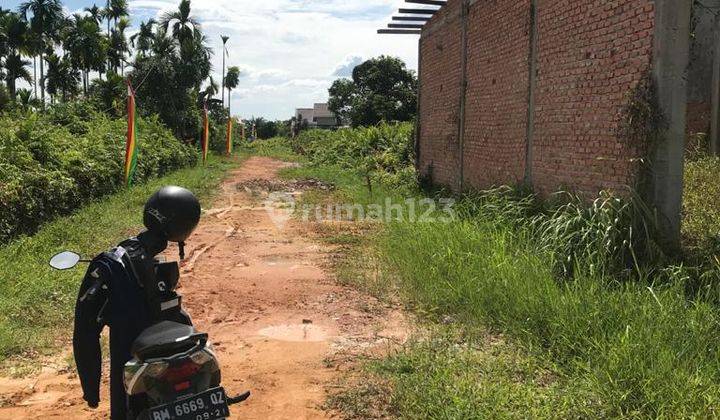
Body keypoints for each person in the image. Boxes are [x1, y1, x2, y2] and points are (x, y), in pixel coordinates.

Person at [73, 186, 201, 419]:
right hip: (177, 348)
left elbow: (85, 332)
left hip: (133, 361)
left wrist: (91, 391)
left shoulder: (111, 266)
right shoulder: (153, 270)